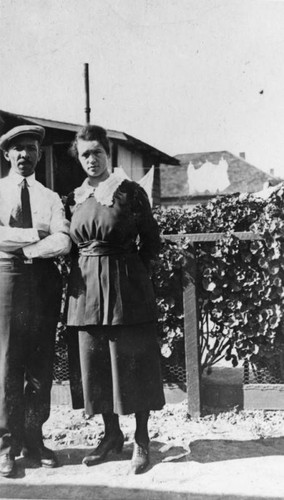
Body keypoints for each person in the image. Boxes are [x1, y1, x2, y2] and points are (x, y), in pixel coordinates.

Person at [66, 124, 165, 474]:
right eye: (84, 154)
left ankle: (141, 439)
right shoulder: (76, 196)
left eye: (97, 152)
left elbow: (151, 243)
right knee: (95, 366)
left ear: (108, 153)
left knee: (133, 363)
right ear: (79, 159)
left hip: (126, 289)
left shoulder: (129, 192)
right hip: (86, 291)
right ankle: (111, 436)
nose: (91, 160)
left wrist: (136, 281)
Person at [0, 125, 71, 477]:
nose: (25, 155)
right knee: (8, 360)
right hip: (7, 278)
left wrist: (25, 247)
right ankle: (5, 444)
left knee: (40, 363)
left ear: (40, 155)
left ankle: (33, 437)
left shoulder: (50, 197)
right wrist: (34, 235)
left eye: (31, 149)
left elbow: (63, 240)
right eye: (18, 150)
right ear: (7, 155)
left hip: (43, 281)